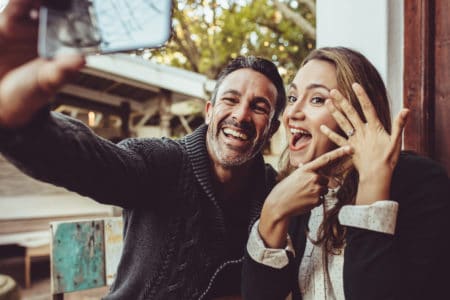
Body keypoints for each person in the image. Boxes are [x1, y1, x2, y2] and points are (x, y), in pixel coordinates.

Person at [0, 1, 350, 299]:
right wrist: (21, 120)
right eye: (230, 100)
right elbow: (89, 162)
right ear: (209, 111)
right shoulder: (160, 162)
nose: (241, 115)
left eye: (259, 107)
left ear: (273, 127)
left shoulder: (277, 193)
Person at [242, 47, 450, 300]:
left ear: (358, 114)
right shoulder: (297, 190)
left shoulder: (422, 182)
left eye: (317, 99)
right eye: (294, 98)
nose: (292, 113)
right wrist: (273, 212)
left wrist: (373, 182)